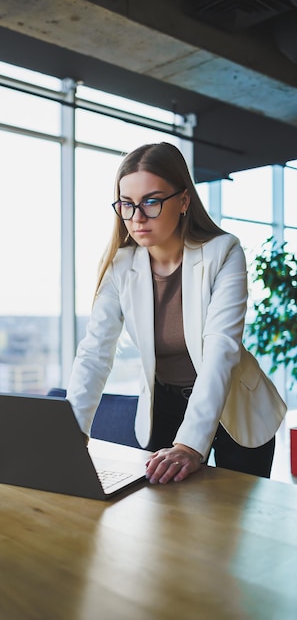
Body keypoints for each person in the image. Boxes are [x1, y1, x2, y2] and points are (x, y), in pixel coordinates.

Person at [66, 142, 287, 484]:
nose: (137, 217)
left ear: (183, 201)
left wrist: (188, 445)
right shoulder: (121, 266)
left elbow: (220, 351)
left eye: (151, 202)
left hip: (234, 405)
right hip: (165, 403)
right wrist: (72, 433)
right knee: (163, 520)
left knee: (234, 529)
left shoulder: (223, 252)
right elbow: (94, 353)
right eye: (127, 204)